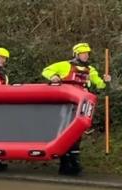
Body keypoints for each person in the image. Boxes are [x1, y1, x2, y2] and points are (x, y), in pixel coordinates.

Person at [42, 43, 111, 175]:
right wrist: (53, 77)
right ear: (76, 54)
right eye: (83, 53)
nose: (86, 55)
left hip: (81, 105)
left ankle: (73, 162)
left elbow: (100, 85)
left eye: (87, 53)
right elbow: (46, 70)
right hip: (66, 104)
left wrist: (106, 80)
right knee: (65, 132)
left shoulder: (90, 70)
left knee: (77, 134)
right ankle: (66, 163)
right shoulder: (65, 65)